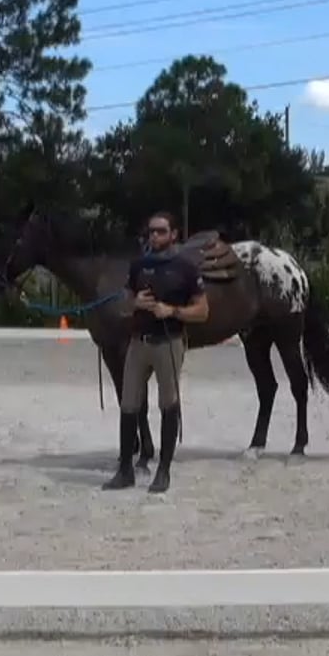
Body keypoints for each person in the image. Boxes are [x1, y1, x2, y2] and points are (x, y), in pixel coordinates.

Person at [106, 210, 209, 493]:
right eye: (151, 230)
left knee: (168, 403)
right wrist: (135, 302)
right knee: (128, 404)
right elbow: (125, 302)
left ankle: (163, 471)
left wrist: (172, 311)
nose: (155, 235)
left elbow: (202, 311)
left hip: (169, 342)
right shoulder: (139, 265)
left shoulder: (186, 267)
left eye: (161, 231)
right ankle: (125, 469)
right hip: (139, 342)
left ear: (174, 234)